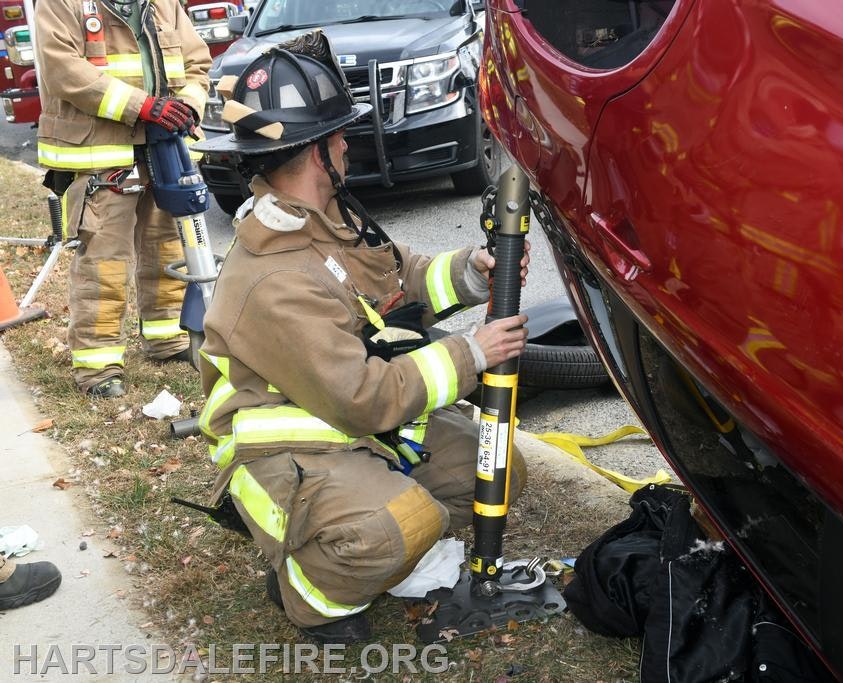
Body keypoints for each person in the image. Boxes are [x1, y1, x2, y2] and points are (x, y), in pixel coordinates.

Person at [189, 30, 530, 644]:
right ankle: (308, 590)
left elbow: (400, 278)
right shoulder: (271, 277)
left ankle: (385, 537)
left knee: (499, 467)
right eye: (339, 134)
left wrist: (473, 272)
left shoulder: (328, 226)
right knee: (399, 523)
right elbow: (362, 397)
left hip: (359, 428)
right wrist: (473, 353)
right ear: (318, 151)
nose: (348, 142)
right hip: (292, 449)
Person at [35, 0, 212, 398]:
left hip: (164, 149)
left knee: (166, 248)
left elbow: (198, 63)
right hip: (101, 155)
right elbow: (64, 70)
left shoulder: (163, 3)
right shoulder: (63, 3)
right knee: (104, 262)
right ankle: (98, 367)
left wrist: (186, 108)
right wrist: (143, 107)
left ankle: (168, 340)